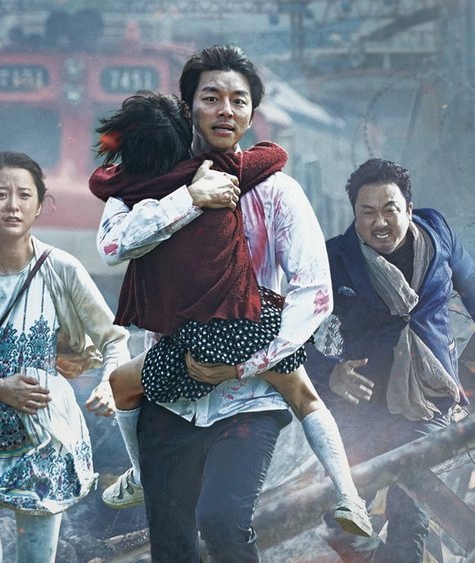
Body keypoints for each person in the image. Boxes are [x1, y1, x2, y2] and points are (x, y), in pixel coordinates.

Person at [89, 90, 370, 537]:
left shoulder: (141, 194)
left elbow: (109, 226)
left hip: (192, 336)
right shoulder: (221, 174)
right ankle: (349, 494)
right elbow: (269, 156)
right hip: (252, 318)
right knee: (305, 397)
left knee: (122, 384)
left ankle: (140, 475)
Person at [0, 151, 129, 562]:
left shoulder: (62, 269)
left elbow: (114, 337)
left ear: (39, 205)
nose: (12, 205)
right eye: (0, 194)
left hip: (41, 442)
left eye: (24, 195)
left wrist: (109, 382)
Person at [306, 158, 475, 563]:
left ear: (409, 208)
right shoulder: (333, 258)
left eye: (390, 210)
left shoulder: (437, 233)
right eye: (368, 212)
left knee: (410, 506)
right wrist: (330, 373)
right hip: (362, 405)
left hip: (428, 397)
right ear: (355, 215)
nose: (380, 223)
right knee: (340, 521)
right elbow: (292, 332)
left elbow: (471, 279)